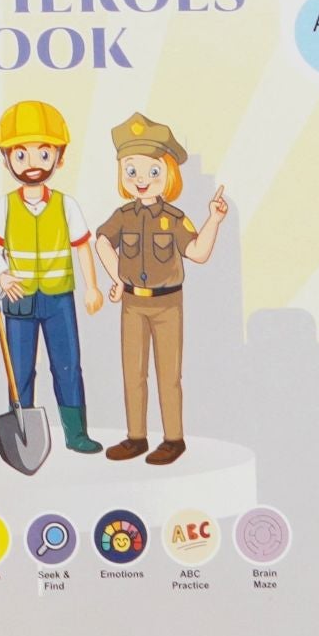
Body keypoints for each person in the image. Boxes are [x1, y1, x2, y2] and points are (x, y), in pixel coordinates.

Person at [83, 111, 230, 465]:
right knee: (132, 374)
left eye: (153, 171)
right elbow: (101, 241)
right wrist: (118, 278)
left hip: (168, 305)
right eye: (131, 170)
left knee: (168, 375)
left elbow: (197, 253)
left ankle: (173, 439)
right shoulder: (123, 215)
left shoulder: (175, 219)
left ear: (169, 174)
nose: (141, 179)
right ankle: (136, 437)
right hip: (132, 304)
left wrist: (214, 220)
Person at [0, 98, 94, 460]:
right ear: (6, 160)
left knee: (68, 366)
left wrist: (92, 287)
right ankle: (23, 434)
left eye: (43, 154)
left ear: (59, 159)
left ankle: (76, 434)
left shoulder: (66, 205)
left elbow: (82, 247)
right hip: (18, 300)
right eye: (21, 154)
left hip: (59, 298)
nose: (32, 163)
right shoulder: (4, 206)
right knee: (19, 371)